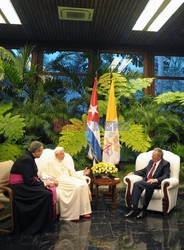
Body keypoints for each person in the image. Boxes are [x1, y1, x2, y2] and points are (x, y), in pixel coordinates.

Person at [9, 141, 54, 235]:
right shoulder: (27, 159)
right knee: (46, 194)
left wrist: (43, 184)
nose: (42, 153)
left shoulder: (29, 157)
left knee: (47, 192)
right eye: (41, 151)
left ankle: (43, 224)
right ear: (37, 151)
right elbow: (29, 179)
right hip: (18, 187)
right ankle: (36, 225)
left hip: (24, 184)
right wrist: (43, 183)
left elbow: (31, 177)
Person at [40, 146, 92, 221]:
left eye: (63, 153)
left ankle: (84, 211)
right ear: (56, 155)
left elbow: (72, 172)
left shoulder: (66, 160)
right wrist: (52, 178)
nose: (64, 155)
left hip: (68, 179)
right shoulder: (50, 162)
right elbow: (43, 174)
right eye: (62, 154)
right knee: (76, 187)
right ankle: (72, 215)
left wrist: (82, 173)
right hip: (59, 180)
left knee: (83, 184)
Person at [124, 148, 170, 219]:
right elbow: (144, 171)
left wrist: (156, 180)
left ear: (159, 156)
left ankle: (144, 210)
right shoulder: (151, 162)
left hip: (156, 183)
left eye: (154, 155)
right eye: (152, 154)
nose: (152, 156)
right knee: (136, 184)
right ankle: (134, 209)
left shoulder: (165, 164)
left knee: (149, 185)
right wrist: (134, 173)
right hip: (147, 181)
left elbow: (166, 175)